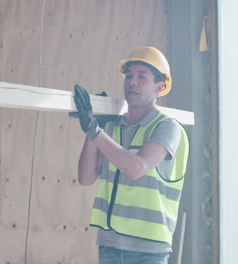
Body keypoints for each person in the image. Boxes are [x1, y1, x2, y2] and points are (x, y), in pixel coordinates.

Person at [74, 46, 190, 264]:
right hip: (109, 245)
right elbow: (86, 177)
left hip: (148, 251)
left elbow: (137, 167)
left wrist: (94, 130)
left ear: (160, 85)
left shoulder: (167, 128)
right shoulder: (112, 127)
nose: (132, 82)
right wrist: (92, 129)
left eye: (141, 76)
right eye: (128, 76)